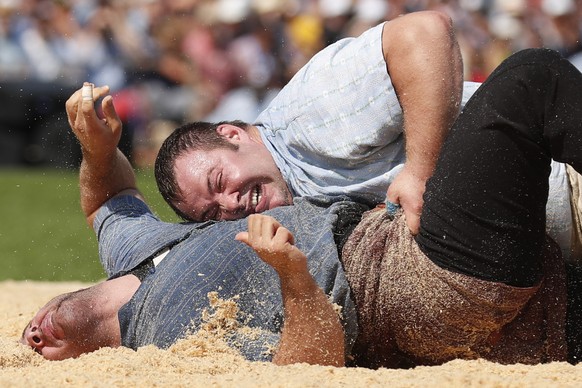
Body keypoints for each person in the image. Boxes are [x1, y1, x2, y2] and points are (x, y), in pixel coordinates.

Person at [21, 47, 582, 367]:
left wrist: (98, 150)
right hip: (419, 283)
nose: (228, 207)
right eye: (209, 206)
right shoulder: (171, 336)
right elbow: (311, 366)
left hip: (425, 250)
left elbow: (108, 200)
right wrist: (294, 279)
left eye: (218, 186)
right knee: (529, 81)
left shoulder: (137, 248)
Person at [152, 11, 578, 263]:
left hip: (568, 180)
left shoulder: (306, 120)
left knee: (533, 75)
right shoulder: (284, 201)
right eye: (212, 214)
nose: (230, 204)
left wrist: (420, 173)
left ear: (231, 135)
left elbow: (426, 30)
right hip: (543, 256)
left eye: (218, 182)